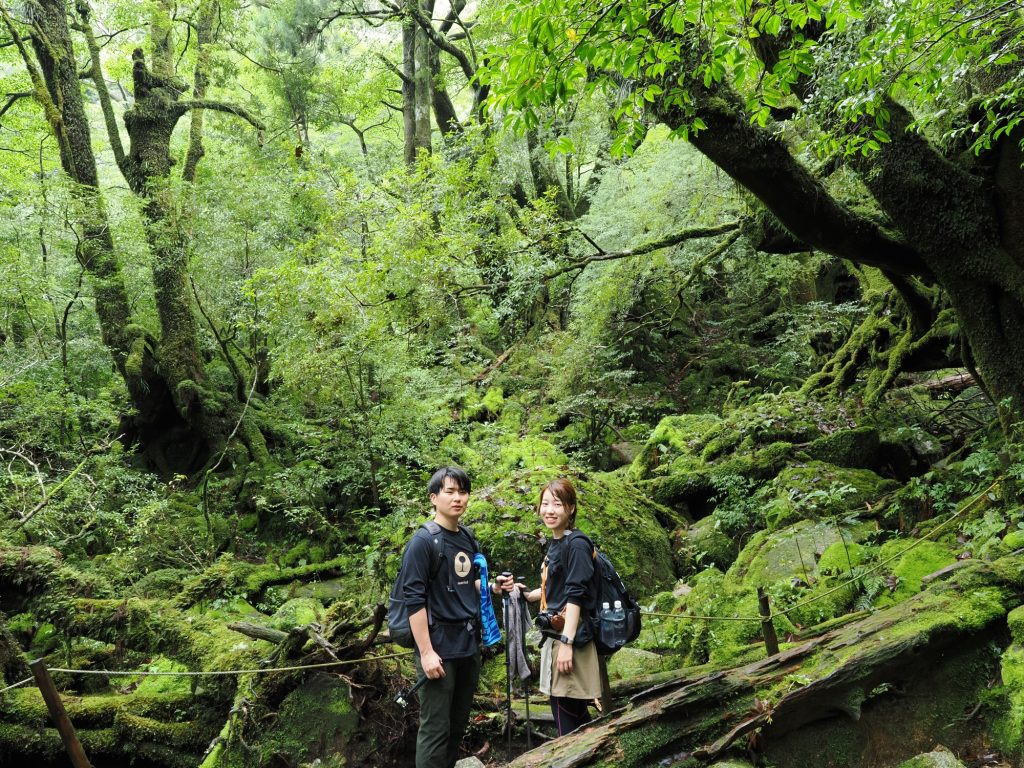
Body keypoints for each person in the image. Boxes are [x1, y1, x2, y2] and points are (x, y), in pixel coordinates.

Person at [397, 466, 514, 768]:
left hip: (467, 645)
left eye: (462, 492)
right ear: (433, 498)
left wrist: (492, 587)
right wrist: (425, 653)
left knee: (456, 726)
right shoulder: (423, 542)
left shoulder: (467, 538)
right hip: (438, 649)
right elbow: (414, 599)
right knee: (435, 729)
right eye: (450, 492)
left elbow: (467, 582)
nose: (458, 498)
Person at [524, 477, 601, 736]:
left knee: (564, 704)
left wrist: (567, 644)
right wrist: (527, 596)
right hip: (557, 635)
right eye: (545, 504)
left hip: (571, 637)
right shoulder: (558, 542)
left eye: (557, 504)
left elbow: (575, 596)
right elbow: (554, 589)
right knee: (568, 705)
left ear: (570, 508)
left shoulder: (577, 544)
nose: (549, 510)